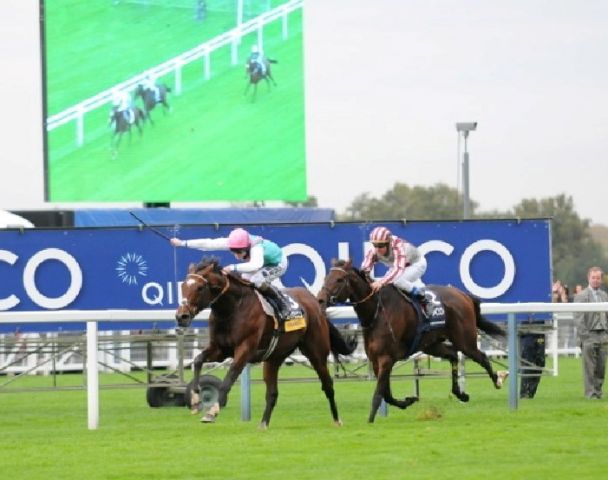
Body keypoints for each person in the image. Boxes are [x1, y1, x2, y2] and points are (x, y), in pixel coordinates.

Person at [170, 228, 291, 319]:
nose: (237, 255)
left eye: (239, 252)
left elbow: (256, 265)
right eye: (234, 252)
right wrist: (182, 243)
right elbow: (208, 244)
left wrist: (233, 267)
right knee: (244, 277)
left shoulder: (256, 248)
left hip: (277, 263)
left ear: (247, 247)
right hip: (262, 262)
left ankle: (282, 303)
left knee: (256, 280)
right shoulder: (235, 242)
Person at [360, 226, 429, 314]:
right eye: (374, 245)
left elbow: (397, 270)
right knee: (386, 282)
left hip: (416, 264)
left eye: (381, 245)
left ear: (389, 243)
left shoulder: (398, 245)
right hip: (399, 265)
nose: (377, 249)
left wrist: (380, 283)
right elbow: (364, 269)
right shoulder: (374, 251)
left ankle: (422, 296)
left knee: (396, 281)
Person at [573, 266, 608, 399]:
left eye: (598, 278)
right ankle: (590, 393)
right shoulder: (581, 296)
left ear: (601, 280)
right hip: (589, 334)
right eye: (593, 278)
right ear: (588, 278)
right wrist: (585, 336)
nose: (595, 280)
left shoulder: (604, 296)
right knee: (589, 366)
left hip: (603, 335)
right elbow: (578, 318)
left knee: (601, 366)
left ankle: (598, 392)